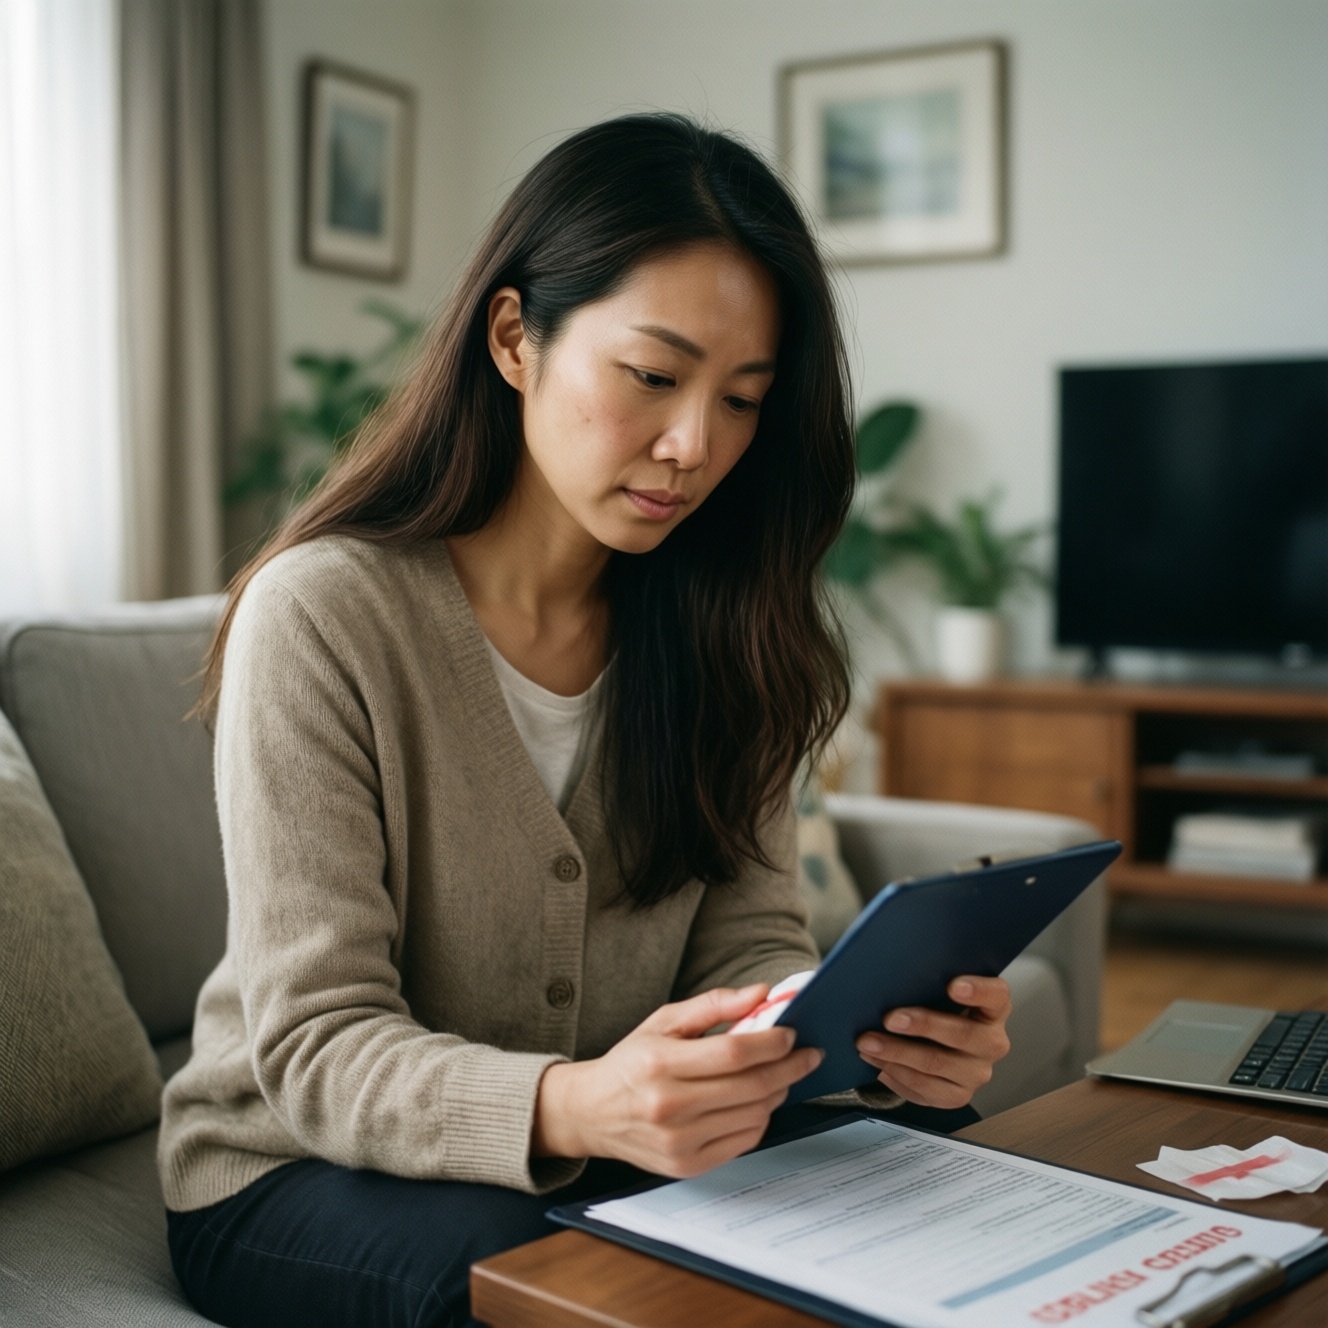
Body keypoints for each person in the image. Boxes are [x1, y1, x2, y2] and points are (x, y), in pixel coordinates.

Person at [159, 112, 1012, 1328]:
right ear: (515, 337)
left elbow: (746, 947)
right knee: (555, 1275)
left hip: (610, 1146)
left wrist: (868, 1040)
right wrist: (576, 1104)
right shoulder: (327, 614)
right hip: (294, 1169)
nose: (691, 445)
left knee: (938, 1159)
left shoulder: (723, 623)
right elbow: (315, 1046)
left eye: (741, 399)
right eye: (654, 377)